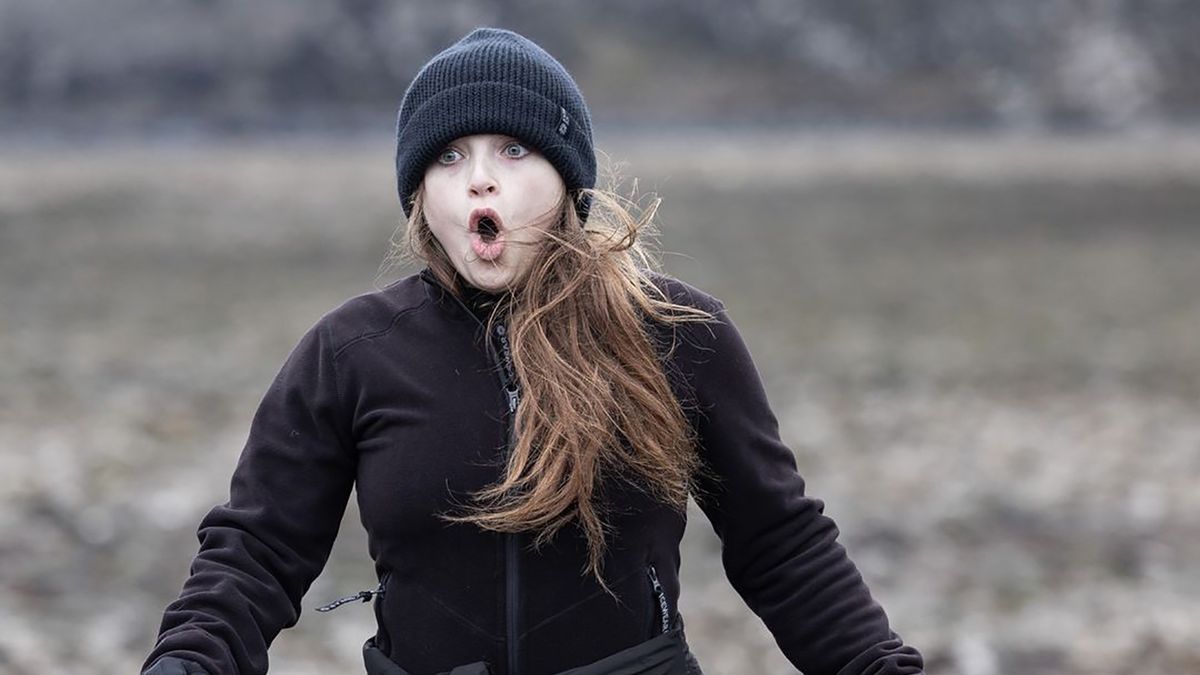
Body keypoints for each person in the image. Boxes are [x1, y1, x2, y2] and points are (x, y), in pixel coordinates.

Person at [142, 27, 925, 675]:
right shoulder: (351, 352)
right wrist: (184, 664)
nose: (480, 180)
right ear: (420, 195)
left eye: (514, 149)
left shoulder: (680, 336)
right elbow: (256, 552)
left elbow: (782, 546)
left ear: (566, 178)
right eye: (449, 157)